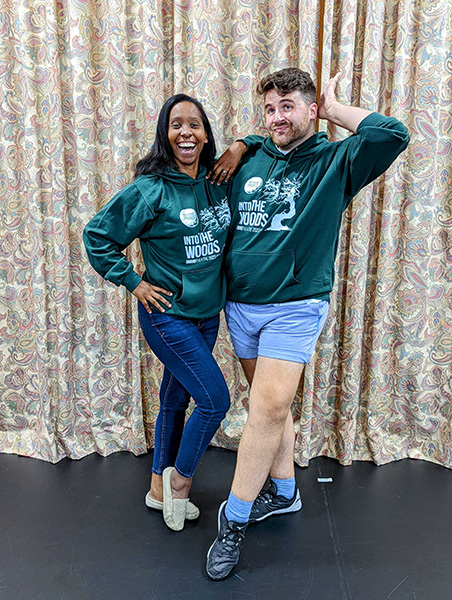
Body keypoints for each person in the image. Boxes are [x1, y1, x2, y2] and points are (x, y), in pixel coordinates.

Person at [205, 68, 410, 579]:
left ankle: (232, 521)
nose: (277, 117)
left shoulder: (336, 161)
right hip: (242, 306)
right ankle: (287, 492)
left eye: (288, 106)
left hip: (295, 305)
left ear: (310, 110)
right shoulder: (249, 158)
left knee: (268, 406)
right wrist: (240, 141)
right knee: (272, 410)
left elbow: (393, 135)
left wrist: (336, 109)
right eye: (270, 109)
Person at [83, 94, 234, 532]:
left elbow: (266, 147)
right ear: (165, 136)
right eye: (176, 125)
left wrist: (240, 146)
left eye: (195, 125)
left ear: (206, 135)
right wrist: (133, 281)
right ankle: (180, 487)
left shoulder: (216, 178)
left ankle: (155, 489)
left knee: (176, 396)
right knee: (214, 400)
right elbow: (98, 236)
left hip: (207, 315)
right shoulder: (151, 190)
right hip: (168, 316)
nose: (185, 132)